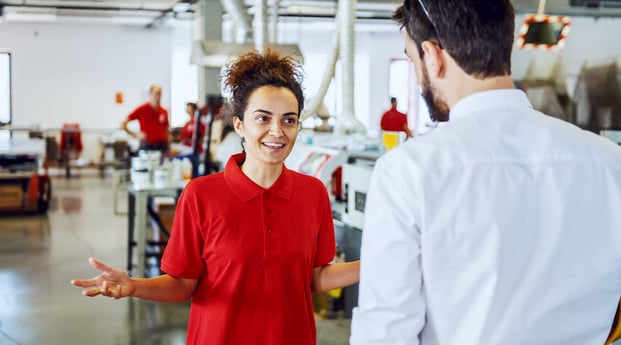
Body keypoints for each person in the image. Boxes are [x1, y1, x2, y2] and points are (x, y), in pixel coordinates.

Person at [351, 1, 621, 344]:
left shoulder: (409, 171)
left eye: (411, 58)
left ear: (432, 56)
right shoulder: (610, 163)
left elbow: (386, 332)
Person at [71, 49, 360, 345]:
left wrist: (376, 264)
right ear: (239, 125)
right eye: (263, 118)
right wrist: (133, 286)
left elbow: (315, 278)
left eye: (289, 120)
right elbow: (182, 284)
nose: (277, 132)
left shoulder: (313, 193)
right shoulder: (202, 195)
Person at [121, 84, 170, 153]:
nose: (158, 97)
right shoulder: (142, 109)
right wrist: (134, 136)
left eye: (160, 94)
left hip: (162, 145)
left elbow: (166, 129)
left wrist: (169, 146)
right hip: (147, 145)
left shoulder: (164, 111)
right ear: (150, 94)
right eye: (156, 94)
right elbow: (123, 124)